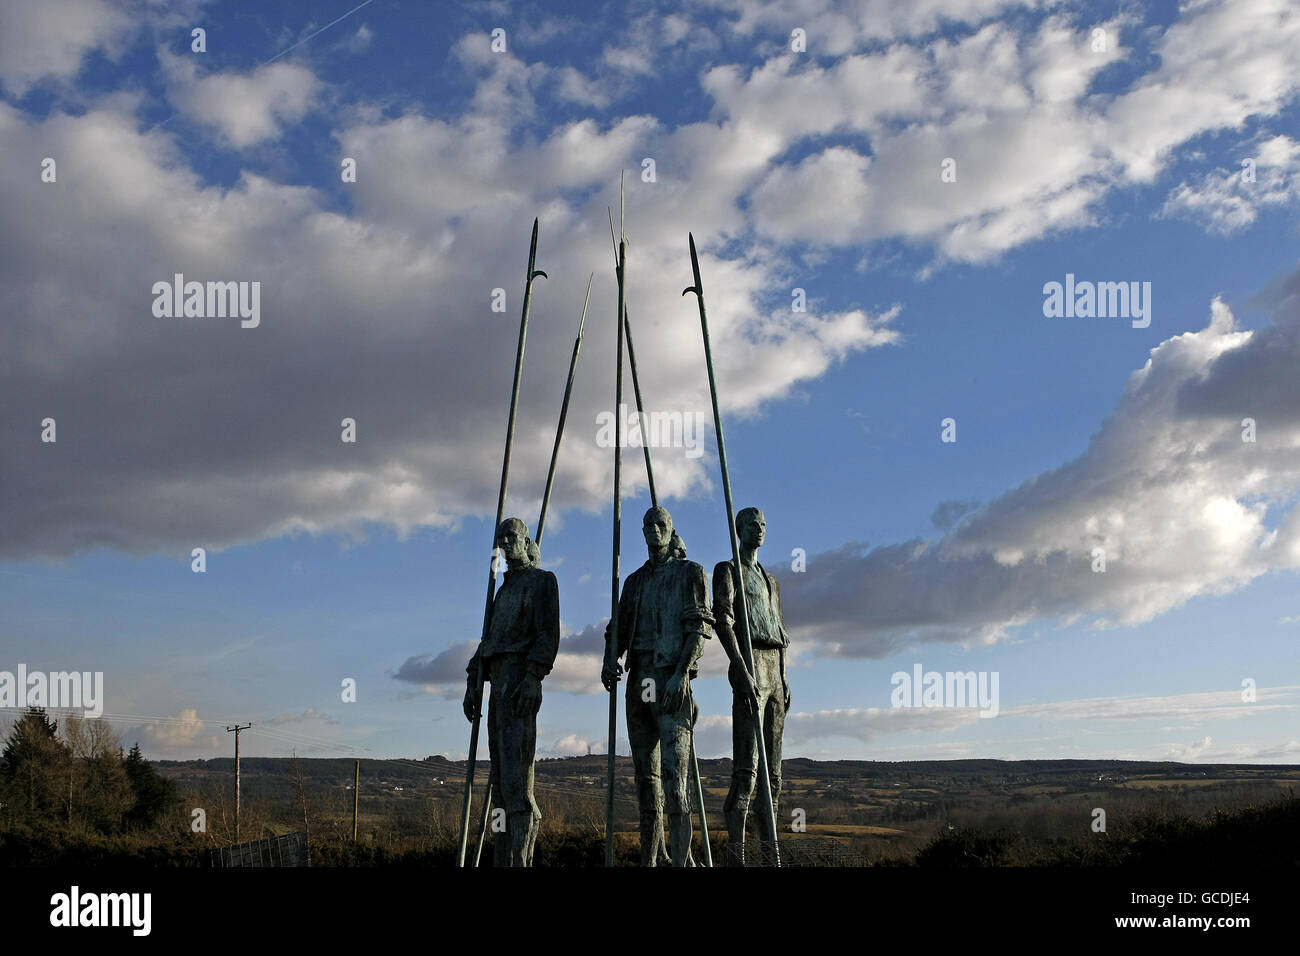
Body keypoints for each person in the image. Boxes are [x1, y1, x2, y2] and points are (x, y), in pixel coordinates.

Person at [602, 506, 713, 866]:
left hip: (669, 679)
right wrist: (609, 659)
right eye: (648, 525)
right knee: (646, 783)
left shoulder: (690, 573)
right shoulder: (633, 582)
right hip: (639, 681)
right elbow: (617, 628)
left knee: (674, 783)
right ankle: (650, 860)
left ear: (671, 529)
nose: (654, 529)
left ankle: (682, 862)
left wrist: (682, 673)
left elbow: (700, 627)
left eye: (660, 524)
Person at [463, 517, 559, 866]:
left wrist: (534, 675)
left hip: (519, 683)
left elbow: (548, 632)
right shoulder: (502, 591)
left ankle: (522, 859)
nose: (505, 542)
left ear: (525, 539)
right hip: (497, 687)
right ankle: (502, 857)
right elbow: (488, 642)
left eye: (511, 535)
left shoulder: (542, 582)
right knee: (500, 787)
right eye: (500, 537)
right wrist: (474, 678)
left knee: (518, 786)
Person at [712, 507, 789, 865]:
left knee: (773, 776)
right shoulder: (727, 571)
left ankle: (770, 856)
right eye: (751, 525)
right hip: (750, 663)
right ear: (738, 530)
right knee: (747, 771)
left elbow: (781, 634)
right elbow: (723, 621)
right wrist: (740, 667)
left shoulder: (771, 580)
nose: (758, 529)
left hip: (775, 670)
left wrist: (784, 678)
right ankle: (736, 857)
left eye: (763, 524)